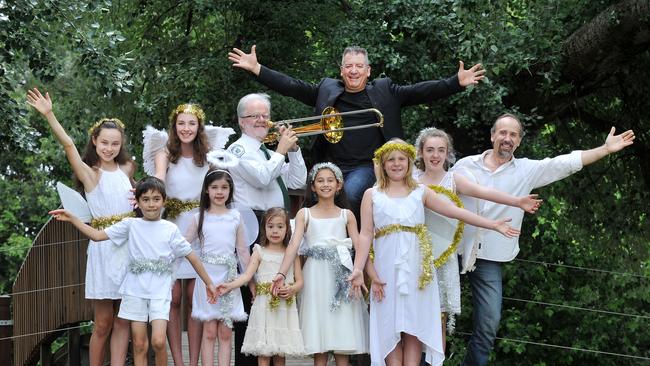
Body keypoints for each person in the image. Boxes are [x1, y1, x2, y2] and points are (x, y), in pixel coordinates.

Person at [450, 114, 635, 366]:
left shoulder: (527, 170)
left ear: (519, 141)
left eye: (513, 135)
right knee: (434, 315)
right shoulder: (464, 165)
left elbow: (566, 162)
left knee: (488, 323)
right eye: (503, 133)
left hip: (488, 257)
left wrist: (604, 149)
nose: (507, 138)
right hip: (450, 249)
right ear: (492, 136)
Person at [228, 45, 485, 219]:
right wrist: (257, 69)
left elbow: (421, 91)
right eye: (348, 66)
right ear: (341, 70)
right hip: (329, 164)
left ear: (368, 70)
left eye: (359, 66)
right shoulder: (327, 89)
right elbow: (292, 86)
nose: (353, 71)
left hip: (366, 166)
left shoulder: (385, 90)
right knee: (311, 202)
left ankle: (353, 246)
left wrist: (455, 83)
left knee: (348, 194)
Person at [355, 141, 520, 366]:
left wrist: (492, 224)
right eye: (390, 160)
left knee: (413, 327)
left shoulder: (420, 192)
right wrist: (361, 270)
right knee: (388, 326)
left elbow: (454, 211)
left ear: (409, 162)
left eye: (401, 159)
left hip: (417, 270)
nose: (396, 164)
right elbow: (365, 235)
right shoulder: (372, 194)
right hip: (385, 271)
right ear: (383, 164)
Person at [49, 176, 218, 366]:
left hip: (160, 292)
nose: (151, 204)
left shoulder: (170, 229)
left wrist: (210, 284)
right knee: (139, 344)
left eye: (156, 199)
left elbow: (192, 256)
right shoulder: (131, 225)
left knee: (158, 341)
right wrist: (73, 218)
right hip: (135, 291)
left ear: (164, 201)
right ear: (137, 203)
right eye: (145, 199)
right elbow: (96, 236)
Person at [27, 87, 134, 366]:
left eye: (115, 144)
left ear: (120, 145)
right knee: (103, 322)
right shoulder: (91, 174)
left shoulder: (126, 172)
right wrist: (49, 115)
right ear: (95, 142)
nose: (109, 148)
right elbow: (68, 146)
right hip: (103, 248)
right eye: (104, 143)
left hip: (129, 247)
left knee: (125, 320)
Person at [413, 127, 542, 346]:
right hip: (413, 254)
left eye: (441, 150)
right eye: (430, 150)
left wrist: (517, 201)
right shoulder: (410, 180)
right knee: (412, 317)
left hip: (442, 255)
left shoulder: (454, 179)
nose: (435, 155)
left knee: (439, 317)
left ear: (447, 153)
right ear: (421, 152)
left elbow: (485, 193)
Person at [142, 103, 234, 366]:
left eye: (191, 124)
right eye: (181, 123)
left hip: (199, 225)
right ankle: (178, 361)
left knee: (195, 296)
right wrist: (143, 190)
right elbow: (158, 179)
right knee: (173, 297)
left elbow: (221, 181)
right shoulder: (164, 153)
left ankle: (193, 362)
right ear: (174, 126)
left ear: (199, 127)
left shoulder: (208, 154)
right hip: (171, 225)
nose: (186, 129)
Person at [227, 93, 307, 365]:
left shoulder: (270, 153)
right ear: (241, 122)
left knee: (274, 301)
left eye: (265, 114)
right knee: (252, 302)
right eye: (254, 116)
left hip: (275, 228)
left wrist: (293, 151)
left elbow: (298, 179)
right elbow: (262, 178)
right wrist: (282, 150)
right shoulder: (238, 150)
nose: (262, 120)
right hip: (252, 230)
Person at [272, 162, 369, 366]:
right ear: (313, 187)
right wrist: (281, 273)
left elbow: (360, 246)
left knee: (342, 333)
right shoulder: (304, 214)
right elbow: (293, 245)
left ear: (339, 185)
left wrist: (359, 271)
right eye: (320, 181)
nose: (325, 184)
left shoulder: (347, 215)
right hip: (315, 275)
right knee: (319, 334)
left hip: (342, 274)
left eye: (330, 180)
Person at [218, 207, 305, 366]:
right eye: (270, 226)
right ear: (264, 229)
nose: (275, 231)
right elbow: (246, 275)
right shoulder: (259, 251)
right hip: (264, 308)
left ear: (287, 229)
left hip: (284, 308)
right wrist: (229, 286)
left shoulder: (291, 253)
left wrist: (291, 289)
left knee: (280, 352)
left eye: (280, 226)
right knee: (263, 353)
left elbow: (300, 281)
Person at [183, 169, 251, 366]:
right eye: (214, 187)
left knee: (225, 331)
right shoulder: (199, 218)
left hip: (229, 278)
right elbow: (183, 245)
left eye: (224, 187)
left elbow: (243, 251)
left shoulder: (236, 217)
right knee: (210, 330)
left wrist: (250, 280)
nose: (219, 192)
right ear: (206, 190)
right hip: (207, 279)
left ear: (230, 190)